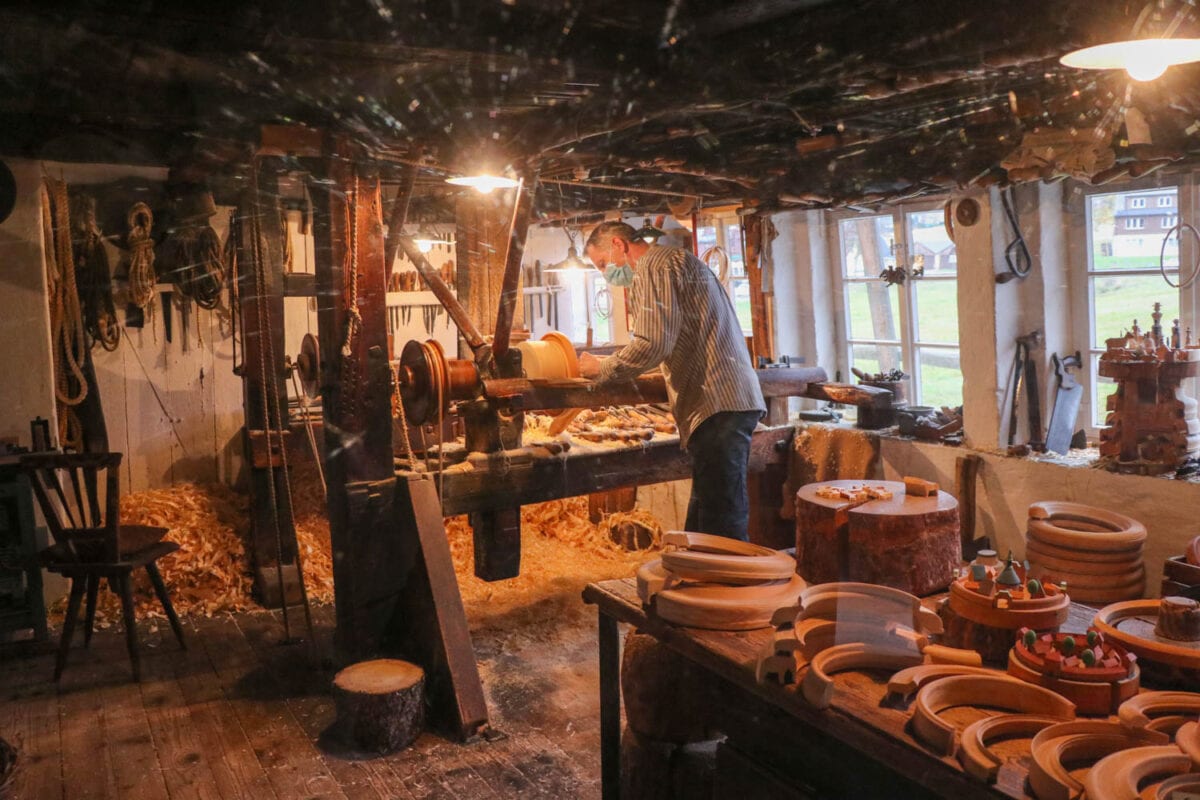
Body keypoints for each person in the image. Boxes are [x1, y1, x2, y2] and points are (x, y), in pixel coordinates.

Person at [578, 221, 765, 541]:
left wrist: (603, 369)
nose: (606, 273)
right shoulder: (678, 260)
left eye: (602, 264)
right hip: (724, 401)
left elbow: (653, 342)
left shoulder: (653, 267)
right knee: (706, 518)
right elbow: (674, 339)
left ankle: (731, 586)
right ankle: (699, 583)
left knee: (722, 521)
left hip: (717, 403)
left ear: (619, 245)